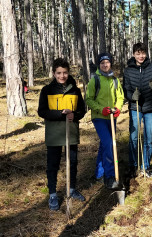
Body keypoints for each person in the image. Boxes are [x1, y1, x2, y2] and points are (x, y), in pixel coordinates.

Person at [38, 58, 86, 211]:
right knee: (53, 164)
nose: (62, 76)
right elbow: (42, 111)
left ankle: (71, 189)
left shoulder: (75, 90)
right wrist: (60, 114)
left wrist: (75, 115)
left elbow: (82, 110)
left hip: (71, 133)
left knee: (72, 162)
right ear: (54, 73)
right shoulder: (47, 90)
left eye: (65, 73)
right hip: (54, 134)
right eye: (59, 73)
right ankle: (52, 194)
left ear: (68, 73)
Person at [86, 52, 124, 189]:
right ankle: (109, 176)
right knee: (109, 144)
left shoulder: (115, 80)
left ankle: (99, 173)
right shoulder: (95, 79)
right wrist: (101, 109)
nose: (105, 65)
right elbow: (88, 99)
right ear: (99, 65)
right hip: (99, 117)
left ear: (110, 64)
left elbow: (120, 97)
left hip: (111, 117)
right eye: (102, 63)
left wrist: (117, 108)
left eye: (107, 62)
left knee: (104, 145)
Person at [123, 42, 152, 178]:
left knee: (148, 138)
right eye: (138, 53)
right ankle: (133, 165)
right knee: (133, 137)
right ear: (134, 54)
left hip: (149, 108)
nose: (141, 56)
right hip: (135, 108)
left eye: (143, 53)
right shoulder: (128, 70)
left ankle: (146, 166)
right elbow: (125, 88)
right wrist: (131, 96)